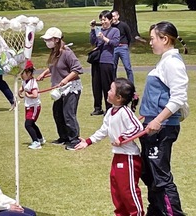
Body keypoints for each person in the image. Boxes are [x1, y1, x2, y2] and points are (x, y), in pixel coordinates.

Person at [74, 78, 144, 216]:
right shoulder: (111, 112)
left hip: (128, 157)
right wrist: (88, 141)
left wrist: (122, 138)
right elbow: (103, 130)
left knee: (128, 190)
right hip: (117, 156)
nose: (107, 91)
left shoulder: (125, 112)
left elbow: (138, 127)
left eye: (111, 90)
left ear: (119, 97)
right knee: (116, 190)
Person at [138, 21, 188, 216]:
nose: (150, 43)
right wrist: (146, 113)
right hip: (152, 126)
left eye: (152, 38)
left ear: (164, 39)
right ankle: (156, 211)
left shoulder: (173, 63)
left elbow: (178, 98)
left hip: (163, 128)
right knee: (148, 172)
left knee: (160, 176)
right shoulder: (164, 61)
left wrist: (157, 119)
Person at [36, 27, 83, 150]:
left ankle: (74, 140)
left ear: (56, 39)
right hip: (58, 89)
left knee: (68, 114)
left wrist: (65, 80)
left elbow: (77, 69)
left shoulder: (67, 52)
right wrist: (43, 74)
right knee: (57, 113)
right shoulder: (54, 52)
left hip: (70, 88)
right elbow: (54, 66)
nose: (47, 42)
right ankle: (64, 137)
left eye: (48, 39)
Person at [89, 10, 120, 116]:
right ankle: (97, 107)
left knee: (107, 86)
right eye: (101, 19)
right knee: (96, 85)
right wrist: (93, 29)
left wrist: (104, 38)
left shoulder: (115, 30)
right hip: (97, 61)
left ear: (110, 20)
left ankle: (109, 107)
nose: (103, 22)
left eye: (105, 19)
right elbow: (93, 41)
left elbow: (115, 43)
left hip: (107, 61)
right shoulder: (99, 30)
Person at [18, 60, 45, 150]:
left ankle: (36, 142)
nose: (21, 75)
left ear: (29, 73)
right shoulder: (25, 81)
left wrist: (28, 95)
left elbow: (35, 95)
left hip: (34, 107)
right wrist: (20, 91)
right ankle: (40, 139)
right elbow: (23, 86)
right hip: (28, 106)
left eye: (23, 73)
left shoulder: (33, 83)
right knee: (32, 123)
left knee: (28, 124)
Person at [111, 10, 134, 83]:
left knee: (128, 67)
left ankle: (131, 84)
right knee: (113, 67)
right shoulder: (110, 26)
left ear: (118, 16)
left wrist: (127, 45)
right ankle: (114, 84)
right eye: (111, 17)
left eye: (114, 16)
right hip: (114, 48)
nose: (113, 18)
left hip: (123, 47)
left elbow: (129, 36)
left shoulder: (124, 25)